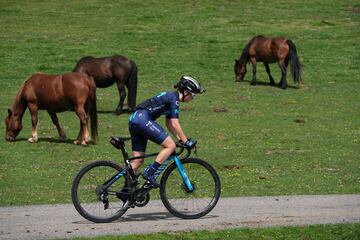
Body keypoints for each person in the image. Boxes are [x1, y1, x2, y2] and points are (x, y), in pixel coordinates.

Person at [128, 75, 205, 187]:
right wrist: (186, 141)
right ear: (186, 92)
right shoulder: (174, 100)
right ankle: (149, 173)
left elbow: (169, 124)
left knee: (137, 162)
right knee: (170, 146)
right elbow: (175, 123)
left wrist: (180, 139)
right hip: (142, 120)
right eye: (193, 95)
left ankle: (126, 190)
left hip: (135, 120)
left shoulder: (171, 97)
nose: (192, 98)